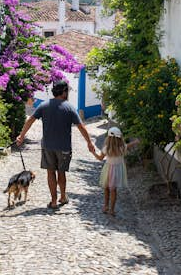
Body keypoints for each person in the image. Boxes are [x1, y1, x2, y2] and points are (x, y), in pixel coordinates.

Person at [16, 80, 95, 210]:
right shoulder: (69, 107)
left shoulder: (44, 105)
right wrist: (89, 142)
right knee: (61, 173)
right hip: (64, 147)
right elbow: (81, 126)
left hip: (48, 146)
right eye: (67, 91)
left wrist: (21, 135)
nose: (68, 93)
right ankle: (63, 197)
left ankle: (53, 201)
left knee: (50, 173)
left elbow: (30, 120)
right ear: (63, 92)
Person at [92, 126, 138, 216]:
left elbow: (100, 158)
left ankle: (105, 206)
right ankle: (112, 209)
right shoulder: (122, 147)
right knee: (113, 190)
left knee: (106, 188)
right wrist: (136, 141)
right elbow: (129, 145)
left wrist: (93, 152)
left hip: (108, 170)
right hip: (118, 170)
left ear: (108, 138)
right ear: (120, 137)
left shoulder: (106, 148)